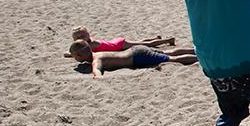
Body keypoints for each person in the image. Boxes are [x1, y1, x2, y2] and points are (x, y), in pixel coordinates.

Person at [69, 39, 198, 77]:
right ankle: (196, 51)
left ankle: (200, 58)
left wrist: (97, 76)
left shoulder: (96, 59)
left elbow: (97, 70)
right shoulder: (97, 53)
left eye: (75, 57)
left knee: (171, 59)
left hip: (138, 57)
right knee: (168, 52)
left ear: (80, 55)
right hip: (135, 50)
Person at [71, 26, 175, 52]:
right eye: (77, 38)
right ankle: (155, 38)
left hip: (119, 45)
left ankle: (167, 40)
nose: (81, 39)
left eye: (83, 36)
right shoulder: (89, 41)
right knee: (140, 41)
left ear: (88, 35)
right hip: (115, 42)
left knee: (146, 45)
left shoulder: (90, 44)